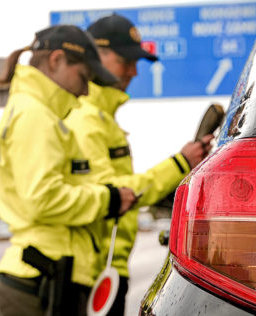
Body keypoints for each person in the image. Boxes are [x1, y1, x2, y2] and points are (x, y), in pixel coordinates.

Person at [65, 14, 213, 316]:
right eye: (125, 61)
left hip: (107, 267)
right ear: (97, 57)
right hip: (93, 272)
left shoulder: (102, 119)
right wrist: (180, 162)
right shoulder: (85, 120)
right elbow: (115, 193)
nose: (133, 71)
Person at [0, 24, 138, 316]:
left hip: (42, 276)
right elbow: (43, 199)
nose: (84, 91)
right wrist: (108, 200)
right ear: (56, 60)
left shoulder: (33, 112)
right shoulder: (36, 116)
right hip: (38, 281)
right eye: (83, 77)